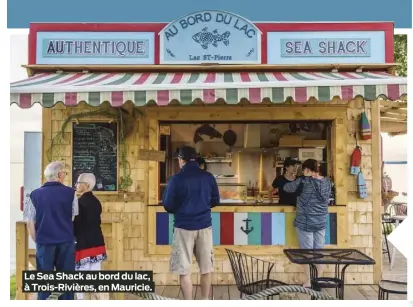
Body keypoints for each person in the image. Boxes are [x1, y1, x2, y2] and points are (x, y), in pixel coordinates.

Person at [162, 146, 220, 300]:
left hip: (183, 228)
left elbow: (168, 205)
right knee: (206, 269)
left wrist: (181, 209)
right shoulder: (208, 177)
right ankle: (204, 301)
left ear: (181, 160)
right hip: (204, 226)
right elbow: (216, 201)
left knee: (184, 270)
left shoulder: (176, 179)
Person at [23, 161, 78, 300]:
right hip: (66, 241)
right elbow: (73, 215)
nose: (65, 176)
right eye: (64, 173)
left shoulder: (34, 195)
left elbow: (30, 221)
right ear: (59, 174)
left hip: (44, 241)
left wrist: (37, 238)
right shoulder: (71, 193)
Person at [283, 158, 332, 288]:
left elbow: (287, 188)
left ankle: (309, 281)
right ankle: (319, 279)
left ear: (308, 170)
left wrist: (294, 177)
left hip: (305, 222)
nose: (302, 171)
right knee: (318, 252)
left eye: (304, 169)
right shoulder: (327, 182)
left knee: (307, 253)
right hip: (321, 221)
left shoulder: (303, 181)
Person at [73, 173, 108, 300]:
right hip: (97, 241)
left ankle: (81, 300)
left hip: (84, 243)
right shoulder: (96, 202)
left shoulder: (79, 202)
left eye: (78, 182)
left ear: (86, 185)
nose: (76, 185)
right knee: (95, 276)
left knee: (80, 275)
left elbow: (77, 224)